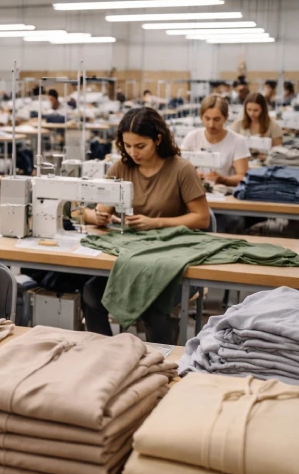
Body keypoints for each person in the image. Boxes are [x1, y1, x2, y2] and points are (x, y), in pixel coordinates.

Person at [81, 107, 210, 344]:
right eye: (127, 146)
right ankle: (107, 352)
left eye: (140, 146)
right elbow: (102, 209)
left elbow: (202, 218)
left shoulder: (182, 169)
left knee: (153, 306)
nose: (133, 152)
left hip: (171, 261)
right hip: (133, 259)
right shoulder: (121, 168)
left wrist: (156, 223)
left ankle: (159, 360)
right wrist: (97, 217)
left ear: (158, 139)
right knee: (91, 293)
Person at [181, 95, 250, 187]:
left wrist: (223, 179)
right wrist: (193, 172)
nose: (211, 124)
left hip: (225, 193)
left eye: (216, 119)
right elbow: (179, 168)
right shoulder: (192, 137)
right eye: (207, 118)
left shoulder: (238, 141)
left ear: (226, 117)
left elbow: (242, 177)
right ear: (201, 117)